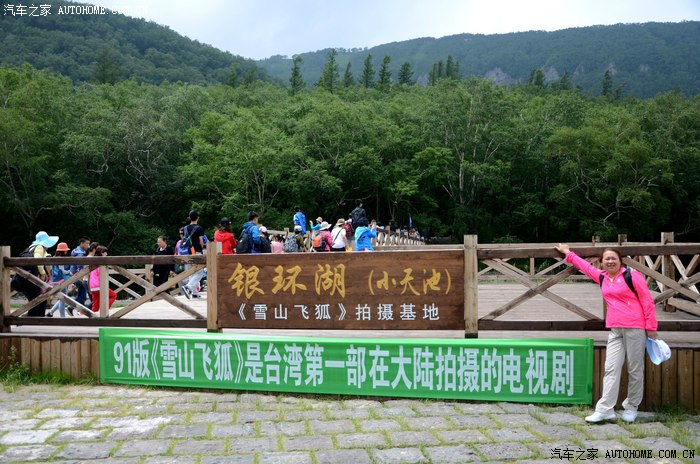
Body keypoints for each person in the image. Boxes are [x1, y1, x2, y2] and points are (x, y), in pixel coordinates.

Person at [555, 244, 658, 423]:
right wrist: (568, 253)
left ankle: (631, 407)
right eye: (607, 259)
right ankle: (605, 410)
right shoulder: (602, 277)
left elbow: (647, 301)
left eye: (613, 258)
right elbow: (585, 266)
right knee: (611, 369)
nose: (610, 261)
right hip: (615, 329)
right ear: (602, 262)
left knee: (635, 369)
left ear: (620, 261)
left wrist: (651, 327)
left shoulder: (632, 276)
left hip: (635, 328)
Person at [24, 231, 59, 317]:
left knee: (35, 301)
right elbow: (38, 260)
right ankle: (36, 319)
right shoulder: (39, 247)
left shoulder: (31, 247)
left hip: (29, 277)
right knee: (37, 301)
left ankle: (33, 319)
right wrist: (42, 273)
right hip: (34, 278)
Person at [181, 210, 205, 299]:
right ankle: (188, 287)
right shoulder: (199, 228)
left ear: (189, 218)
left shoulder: (185, 228)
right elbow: (201, 242)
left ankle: (194, 292)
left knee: (191, 272)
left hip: (188, 252)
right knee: (199, 273)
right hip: (196, 252)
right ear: (198, 218)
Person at [89, 245, 117, 313]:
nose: (106, 254)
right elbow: (101, 274)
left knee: (96, 303)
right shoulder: (101, 263)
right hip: (99, 285)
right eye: (105, 252)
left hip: (92, 286)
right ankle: (104, 310)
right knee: (113, 295)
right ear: (102, 252)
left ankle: (93, 317)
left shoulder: (93, 262)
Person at [48, 242, 72, 317]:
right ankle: (62, 317)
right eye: (66, 250)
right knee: (63, 299)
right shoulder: (60, 259)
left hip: (55, 280)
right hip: (61, 281)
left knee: (61, 298)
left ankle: (51, 312)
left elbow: (51, 269)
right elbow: (63, 271)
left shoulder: (54, 257)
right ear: (63, 251)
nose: (67, 251)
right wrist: (69, 272)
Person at [70, 237, 91, 311]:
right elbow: (80, 265)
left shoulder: (75, 250)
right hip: (80, 275)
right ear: (81, 243)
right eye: (87, 243)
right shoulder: (80, 253)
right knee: (82, 296)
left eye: (89, 243)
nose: (88, 245)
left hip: (75, 275)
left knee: (81, 295)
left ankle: (71, 308)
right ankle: (72, 308)